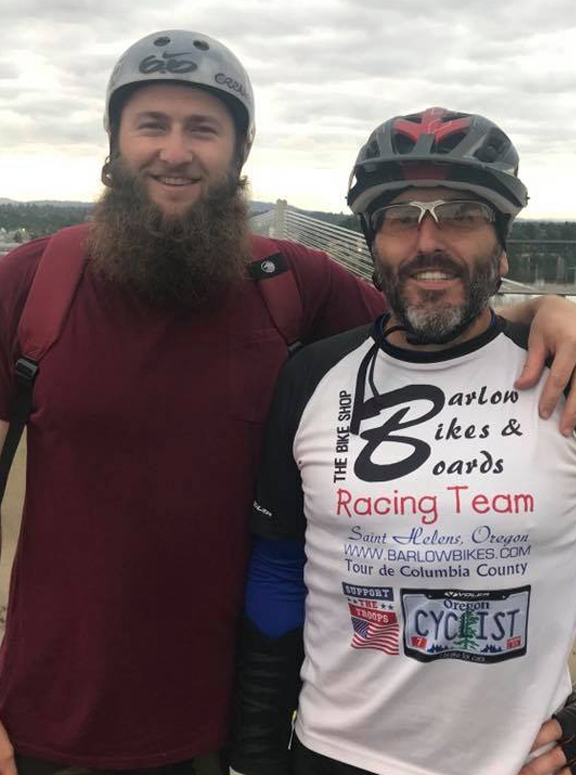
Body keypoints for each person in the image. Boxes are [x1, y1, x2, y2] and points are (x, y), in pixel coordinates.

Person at [0, 36, 574, 775]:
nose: (175, 150)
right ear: (113, 142)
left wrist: (545, 313)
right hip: (48, 722)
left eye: (204, 128)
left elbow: (431, 314)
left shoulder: (292, 283)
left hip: (226, 725)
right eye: (151, 123)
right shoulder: (32, 282)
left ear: (239, 152)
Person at [230, 107, 576, 775]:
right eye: (399, 218)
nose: (427, 243)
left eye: (461, 214)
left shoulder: (563, 377)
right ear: (372, 241)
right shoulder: (309, 378)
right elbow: (277, 572)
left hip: (517, 761)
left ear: (502, 243)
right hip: (335, 754)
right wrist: (253, 756)